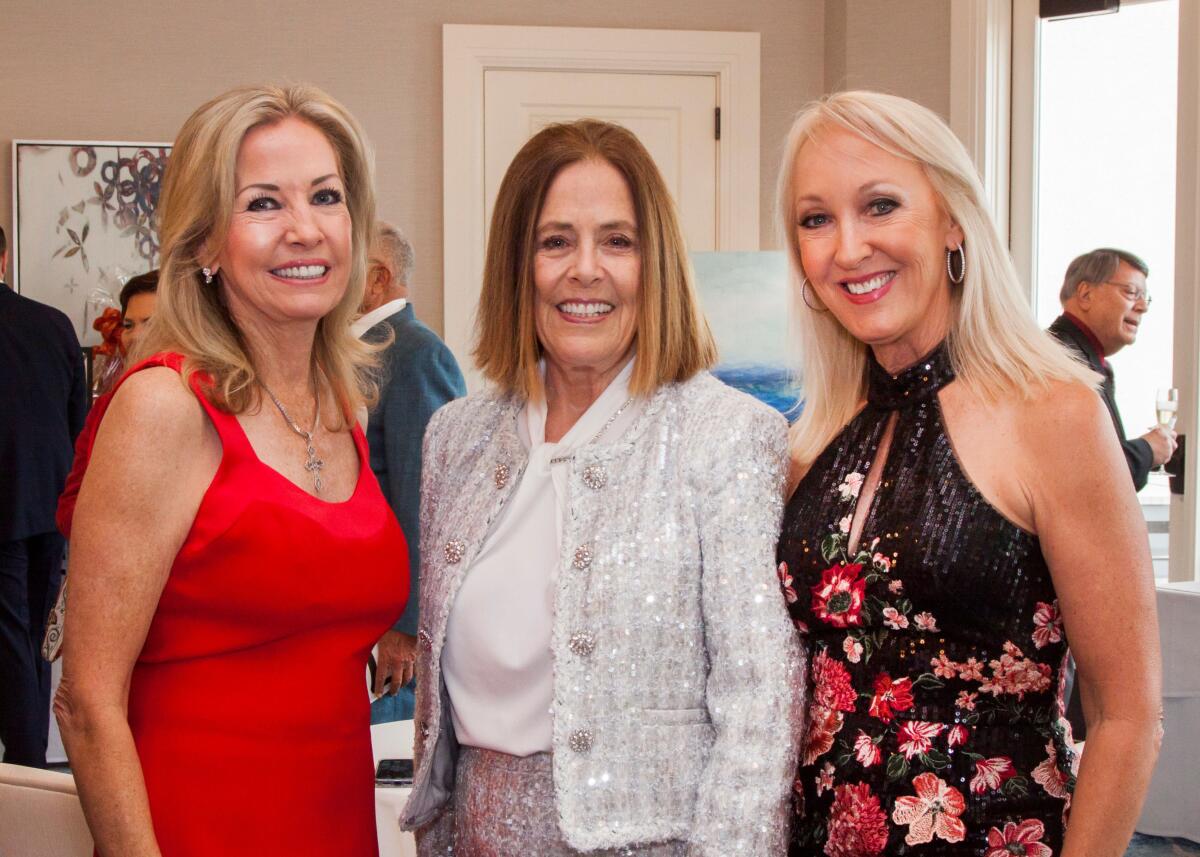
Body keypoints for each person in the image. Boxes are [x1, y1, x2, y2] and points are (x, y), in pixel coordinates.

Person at [400, 119, 803, 856]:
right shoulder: (454, 437)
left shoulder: (727, 435)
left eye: (618, 241)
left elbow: (760, 707)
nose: (585, 269)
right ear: (516, 265)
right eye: (555, 241)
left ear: (656, 265)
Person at [775, 92, 1161, 857]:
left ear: (954, 221)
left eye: (879, 205)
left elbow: (1127, 715)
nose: (847, 247)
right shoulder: (812, 438)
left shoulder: (1056, 414)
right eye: (816, 219)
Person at [54, 84, 409, 857]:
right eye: (262, 204)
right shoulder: (164, 407)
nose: (305, 229)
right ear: (205, 242)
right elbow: (85, 700)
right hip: (194, 827)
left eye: (326, 196)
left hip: (336, 825)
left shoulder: (345, 404)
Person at [352, 222, 465, 718]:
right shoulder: (357, 349)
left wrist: (407, 625)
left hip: (390, 637)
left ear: (377, 278)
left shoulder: (416, 354)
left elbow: (430, 500)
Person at [0, 225, 88, 766]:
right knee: (36, 630)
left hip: (5, 502)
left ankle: (26, 761)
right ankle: (32, 756)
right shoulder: (54, 323)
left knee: (11, 632)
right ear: (5, 257)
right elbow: (79, 423)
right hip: (51, 499)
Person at [1049, 249, 1175, 491]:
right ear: (1085, 294)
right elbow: (1090, 475)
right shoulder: (1061, 360)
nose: (1142, 307)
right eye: (1130, 292)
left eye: (1145, 298)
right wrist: (1149, 449)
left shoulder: (1081, 357)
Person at [57, 270, 160, 539]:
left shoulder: (216, 399)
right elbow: (70, 508)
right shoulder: (108, 405)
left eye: (151, 323)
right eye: (129, 325)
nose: (136, 335)